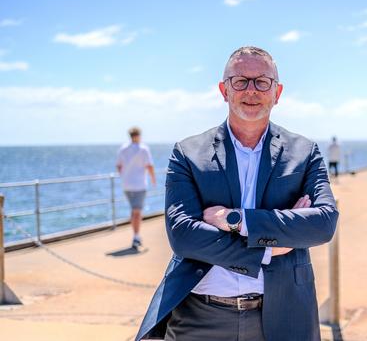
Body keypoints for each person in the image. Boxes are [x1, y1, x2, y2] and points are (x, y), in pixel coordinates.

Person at [136, 46, 339, 341]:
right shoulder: (188, 152)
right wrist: (269, 249)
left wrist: (237, 220)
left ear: (277, 92)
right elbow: (183, 236)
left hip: (283, 317)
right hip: (199, 319)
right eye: (240, 81)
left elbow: (323, 223)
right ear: (224, 90)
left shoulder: (304, 152)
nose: (251, 90)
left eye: (262, 82)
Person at [116, 127, 156, 248]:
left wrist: (124, 176)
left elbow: (118, 166)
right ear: (138, 135)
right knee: (137, 212)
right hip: (139, 185)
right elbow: (149, 166)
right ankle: (136, 237)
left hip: (126, 185)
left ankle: (135, 234)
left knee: (134, 211)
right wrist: (153, 179)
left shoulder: (123, 148)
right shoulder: (143, 149)